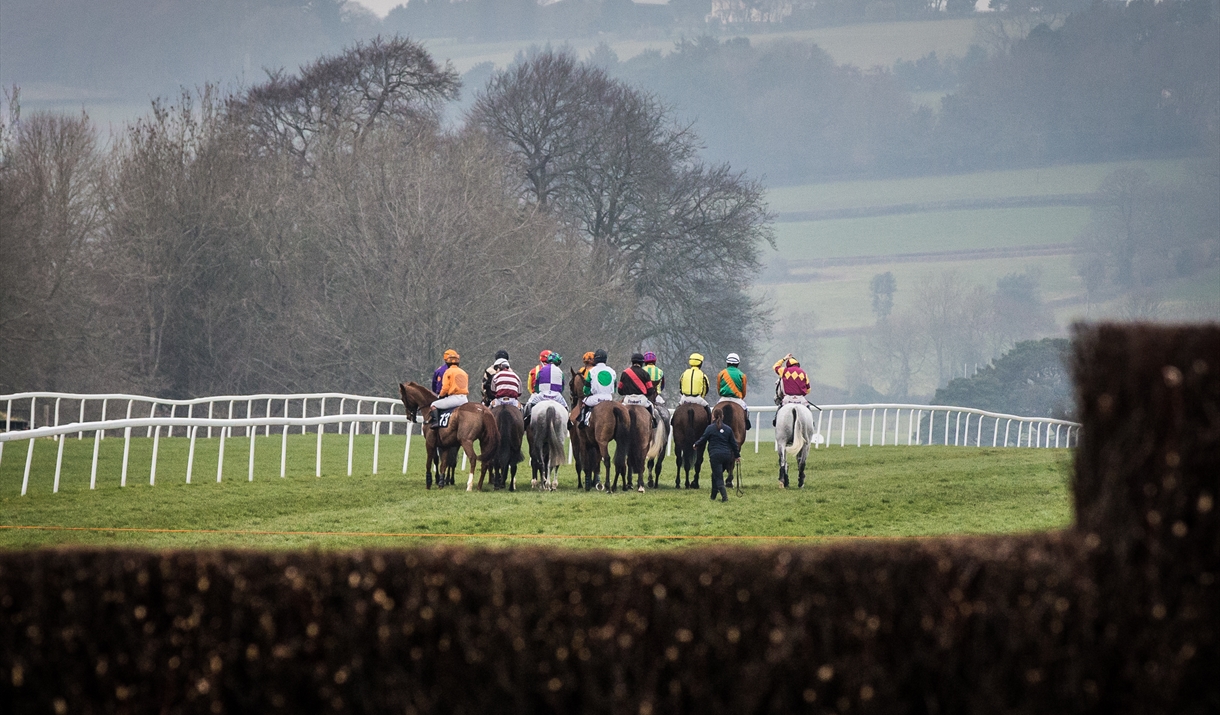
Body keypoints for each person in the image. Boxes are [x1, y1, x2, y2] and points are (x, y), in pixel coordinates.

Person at [693, 409, 740, 502]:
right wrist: (737, 456)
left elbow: (703, 438)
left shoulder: (710, 428)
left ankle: (724, 497)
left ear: (713, 416)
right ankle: (713, 496)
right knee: (715, 475)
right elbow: (734, 444)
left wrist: (696, 444)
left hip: (715, 456)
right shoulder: (728, 429)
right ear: (723, 416)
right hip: (727, 456)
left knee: (718, 477)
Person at [524, 351, 568, 425]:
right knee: (566, 408)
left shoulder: (540, 370)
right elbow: (562, 387)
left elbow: (536, 386)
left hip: (542, 395)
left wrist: (540, 392)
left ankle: (527, 420)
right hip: (556, 396)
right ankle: (569, 423)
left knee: (530, 405)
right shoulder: (560, 371)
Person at [428, 349, 469, 428]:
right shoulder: (464, 372)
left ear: (447, 362)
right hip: (464, 399)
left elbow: (445, 388)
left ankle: (436, 423)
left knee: (433, 405)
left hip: (454, 398)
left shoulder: (448, 371)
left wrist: (440, 395)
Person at [771, 353, 814, 425]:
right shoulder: (803, 373)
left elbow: (775, 366)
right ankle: (811, 423)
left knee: (780, 408)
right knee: (808, 410)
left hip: (788, 398)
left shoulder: (784, 371)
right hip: (800, 398)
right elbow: (808, 390)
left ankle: (776, 421)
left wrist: (784, 358)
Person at [617, 352, 657, 425]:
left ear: (632, 362)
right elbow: (650, 390)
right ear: (642, 363)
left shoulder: (625, 373)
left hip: (627, 400)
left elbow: (620, 390)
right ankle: (653, 422)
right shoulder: (645, 373)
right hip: (641, 401)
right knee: (651, 406)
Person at [579, 349, 616, 424]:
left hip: (596, 398)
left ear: (595, 359)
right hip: (609, 398)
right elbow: (614, 389)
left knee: (584, 403)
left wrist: (586, 393)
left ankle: (582, 422)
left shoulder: (592, 371)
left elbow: (586, 389)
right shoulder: (612, 371)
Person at [716, 352, 751, 430]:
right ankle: (746, 424)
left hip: (723, 398)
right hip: (737, 400)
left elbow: (718, 388)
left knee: (715, 411)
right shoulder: (742, 375)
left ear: (727, 363)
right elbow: (744, 391)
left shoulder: (721, 373)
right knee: (746, 410)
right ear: (738, 364)